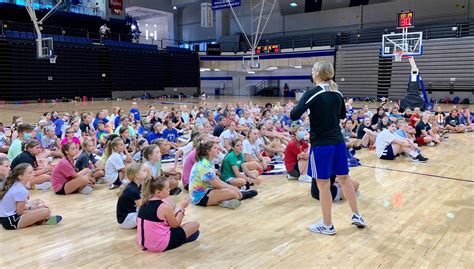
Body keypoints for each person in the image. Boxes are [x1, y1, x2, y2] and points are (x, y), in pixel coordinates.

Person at [290, 61, 365, 235]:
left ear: (316, 73)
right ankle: (357, 215)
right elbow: (341, 115)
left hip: (321, 145)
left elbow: (293, 114)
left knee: (323, 185)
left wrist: (309, 110)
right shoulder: (337, 93)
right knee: (345, 179)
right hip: (338, 143)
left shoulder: (312, 93)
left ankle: (327, 225)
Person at [137, 176, 200, 252]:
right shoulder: (163, 207)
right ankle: (179, 240)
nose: (170, 190)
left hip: (144, 243)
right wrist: (182, 207)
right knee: (195, 226)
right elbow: (176, 224)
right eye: (167, 188)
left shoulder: (144, 203)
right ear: (158, 193)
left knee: (194, 233)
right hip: (159, 245)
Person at [189, 141, 258, 209]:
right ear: (208, 151)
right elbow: (216, 184)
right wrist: (232, 187)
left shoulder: (208, 162)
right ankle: (241, 195)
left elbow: (216, 180)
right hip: (200, 197)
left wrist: (230, 187)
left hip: (207, 190)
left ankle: (223, 202)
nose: (218, 149)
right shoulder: (204, 165)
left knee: (231, 190)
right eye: (215, 148)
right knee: (234, 193)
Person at [0, 163, 62, 230]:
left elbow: (19, 207)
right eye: (30, 173)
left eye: (32, 171)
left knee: (38, 201)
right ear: (20, 177)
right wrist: (36, 209)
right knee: (46, 211)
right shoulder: (20, 190)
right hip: (11, 221)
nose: (33, 174)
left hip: (8, 217)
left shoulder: (16, 184)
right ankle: (43, 219)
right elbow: (19, 212)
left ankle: (40, 220)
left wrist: (33, 207)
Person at [116, 162, 147, 229]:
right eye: (144, 171)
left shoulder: (136, 185)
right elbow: (142, 209)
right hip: (125, 220)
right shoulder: (133, 189)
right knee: (148, 215)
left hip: (129, 215)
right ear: (137, 175)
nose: (146, 172)